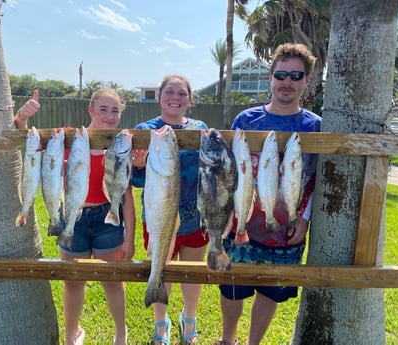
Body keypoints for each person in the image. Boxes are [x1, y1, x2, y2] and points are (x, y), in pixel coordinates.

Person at [213, 43, 322, 345]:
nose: (287, 82)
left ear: (306, 81)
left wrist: (305, 218)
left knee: (269, 289)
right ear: (270, 77)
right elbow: (229, 171)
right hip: (240, 222)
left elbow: (315, 178)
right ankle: (228, 339)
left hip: (285, 228)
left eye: (296, 76)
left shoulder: (315, 126)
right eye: (281, 74)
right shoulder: (245, 120)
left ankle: (253, 343)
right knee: (232, 285)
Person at [15, 89, 135, 345]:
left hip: (108, 220)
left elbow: (127, 196)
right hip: (72, 217)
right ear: (90, 110)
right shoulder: (68, 135)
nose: (110, 115)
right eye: (103, 109)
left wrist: (130, 238)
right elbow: (26, 143)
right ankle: (71, 335)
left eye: (115, 110)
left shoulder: (122, 144)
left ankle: (121, 334)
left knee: (113, 282)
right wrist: (22, 118)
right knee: (72, 282)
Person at [131, 75, 209, 345]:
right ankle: (160, 324)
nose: (175, 97)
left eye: (182, 93)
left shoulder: (200, 128)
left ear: (190, 98)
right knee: (160, 268)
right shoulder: (146, 129)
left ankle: (189, 319)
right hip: (157, 216)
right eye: (169, 92)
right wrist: (139, 167)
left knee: (192, 272)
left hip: (196, 217)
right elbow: (138, 182)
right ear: (160, 95)